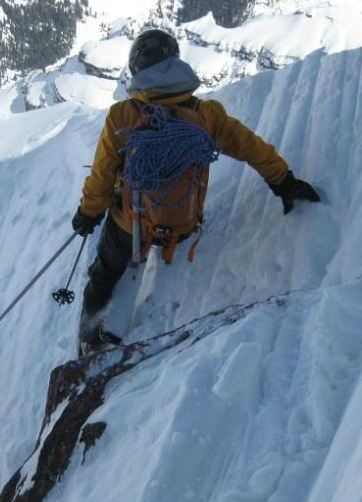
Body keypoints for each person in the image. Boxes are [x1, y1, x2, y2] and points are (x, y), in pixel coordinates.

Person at [72, 29, 320, 353]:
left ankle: (90, 340)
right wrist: (283, 182)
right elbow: (251, 148)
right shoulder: (207, 115)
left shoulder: (123, 116)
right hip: (182, 225)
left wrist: (89, 213)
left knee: (103, 274)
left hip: (129, 224)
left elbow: (103, 175)